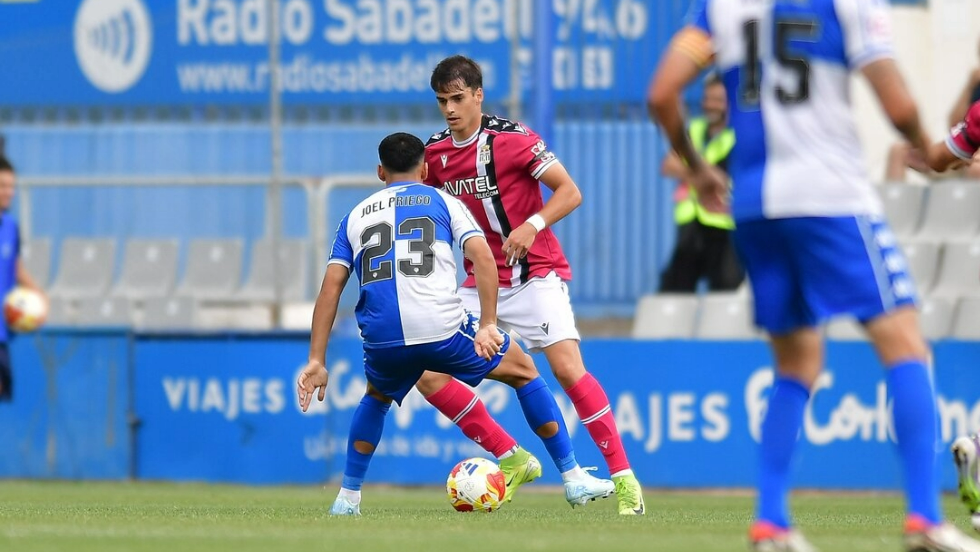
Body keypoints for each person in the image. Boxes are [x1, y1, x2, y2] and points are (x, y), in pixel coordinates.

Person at [649, 1, 980, 551]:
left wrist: (698, 166)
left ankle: (772, 523)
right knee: (906, 346)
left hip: (756, 208)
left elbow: (661, 94)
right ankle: (924, 515)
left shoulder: (721, 8)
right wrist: (924, 144)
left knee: (796, 364)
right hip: (832, 199)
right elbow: (896, 103)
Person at [295, 133, 613, 516]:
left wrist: (317, 359)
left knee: (376, 398)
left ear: (380, 172)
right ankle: (573, 476)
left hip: (381, 339)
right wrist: (488, 324)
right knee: (524, 372)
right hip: (442, 329)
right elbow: (482, 258)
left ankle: (347, 498)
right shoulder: (444, 201)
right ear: (426, 169)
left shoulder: (355, 215)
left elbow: (330, 289)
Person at [412, 55, 644, 516]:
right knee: (426, 371)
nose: (450, 110)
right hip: (478, 285)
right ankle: (512, 457)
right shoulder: (434, 154)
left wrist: (532, 224)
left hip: (534, 272)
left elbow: (570, 191)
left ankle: (624, 478)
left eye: (458, 99)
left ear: (478, 94)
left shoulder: (515, 140)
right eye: (442, 101)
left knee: (567, 368)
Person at [659, 72, 744, 292]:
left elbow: (727, 180)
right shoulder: (694, 129)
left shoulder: (739, 134)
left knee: (726, 292)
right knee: (674, 290)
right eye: (707, 99)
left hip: (725, 226)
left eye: (717, 100)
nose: (710, 105)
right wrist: (704, 175)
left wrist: (689, 169)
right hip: (691, 222)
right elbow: (668, 165)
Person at [0, 156, 45, 403]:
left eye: (11, 186)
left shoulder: (11, 227)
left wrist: (40, 297)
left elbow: (16, 269)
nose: (9, 192)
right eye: (3, 185)